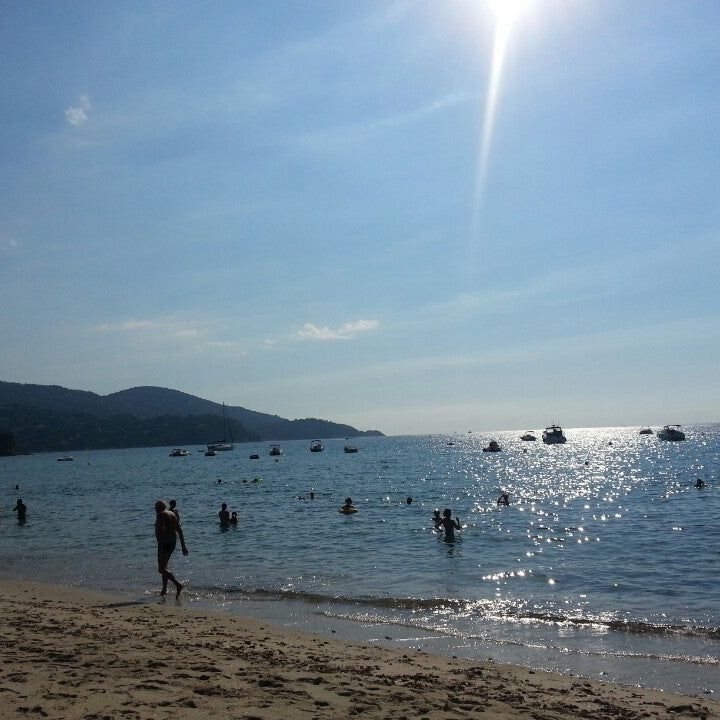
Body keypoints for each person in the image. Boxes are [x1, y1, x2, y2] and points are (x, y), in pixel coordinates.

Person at [154, 500, 188, 597]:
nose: (155, 510)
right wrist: (183, 546)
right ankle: (164, 589)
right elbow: (179, 531)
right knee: (165, 567)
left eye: (156, 508)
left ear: (158, 508)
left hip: (163, 543)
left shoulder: (160, 515)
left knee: (161, 569)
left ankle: (178, 585)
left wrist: (160, 542)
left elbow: (161, 530)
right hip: (172, 542)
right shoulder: (172, 514)